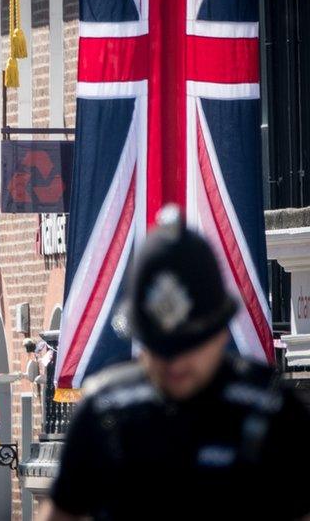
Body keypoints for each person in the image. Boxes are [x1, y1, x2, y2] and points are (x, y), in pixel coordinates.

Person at [40, 206, 310, 521]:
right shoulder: (105, 411)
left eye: (189, 347)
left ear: (221, 332)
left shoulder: (272, 412)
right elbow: (62, 511)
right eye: (161, 349)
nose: (175, 363)